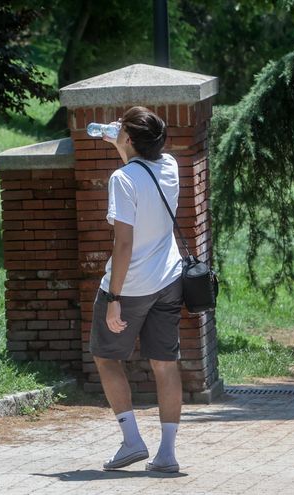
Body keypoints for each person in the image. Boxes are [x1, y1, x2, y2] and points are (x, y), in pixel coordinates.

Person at [90, 106, 184, 474]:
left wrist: (113, 299)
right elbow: (139, 170)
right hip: (169, 280)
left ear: (128, 138)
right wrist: (123, 145)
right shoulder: (171, 166)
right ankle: (167, 454)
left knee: (106, 356)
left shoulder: (121, 179)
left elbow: (124, 245)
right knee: (165, 364)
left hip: (130, 286)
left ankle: (132, 441)